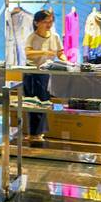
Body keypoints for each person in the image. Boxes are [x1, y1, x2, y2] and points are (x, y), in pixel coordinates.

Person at [23, 8, 62, 144]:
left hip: (45, 73)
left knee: (44, 101)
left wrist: (67, 61)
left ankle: (38, 133)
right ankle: (33, 133)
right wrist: (43, 51)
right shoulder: (32, 37)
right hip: (31, 72)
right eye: (46, 22)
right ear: (37, 22)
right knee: (31, 103)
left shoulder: (55, 36)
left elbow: (60, 53)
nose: (49, 24)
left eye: (50, 21)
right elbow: (28, 53)